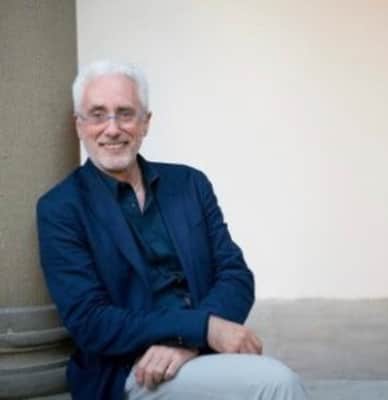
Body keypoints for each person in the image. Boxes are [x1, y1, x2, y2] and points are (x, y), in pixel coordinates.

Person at [37, 60, 308, 400]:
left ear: (146, 122)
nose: (112, 128)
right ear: (79, 125)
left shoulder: (189, 183)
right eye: (97, 114)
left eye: (125, 113)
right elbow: (91, 322)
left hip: (197, 351)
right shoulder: (61, 208)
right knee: (276, 383)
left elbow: (236, 275)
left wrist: (189, 341)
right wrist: (202, 329)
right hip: (131, 368)